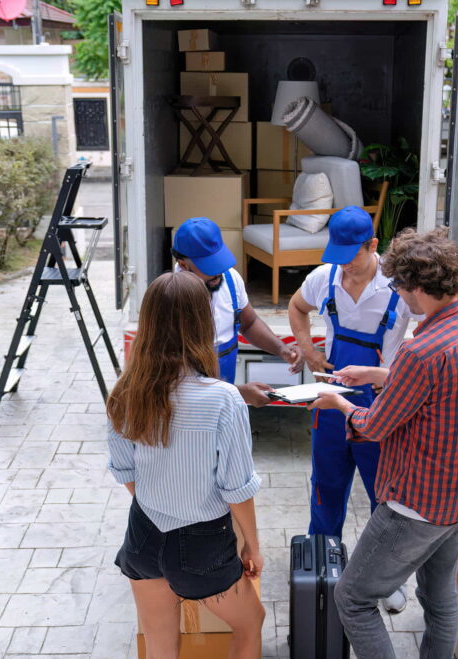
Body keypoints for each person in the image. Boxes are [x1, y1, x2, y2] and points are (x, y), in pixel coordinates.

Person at [311, 229, 458, 659]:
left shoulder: (422, 351)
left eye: (398, 286)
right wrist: (379, 374)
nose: (398, 296)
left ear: (416, 287)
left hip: (415, 505)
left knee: (353, 599)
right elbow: (442, 391)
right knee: (439, 597)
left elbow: (374, 426)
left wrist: (338, 402)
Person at [108, 271, 265, 659]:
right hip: (203, 542)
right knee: (251, 623)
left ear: (148, 323)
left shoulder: (125, 393)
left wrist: (162, 500)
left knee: (161, 646)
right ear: (202, 323)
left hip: (143, 535)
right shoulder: (223, 400)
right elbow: (237, 489)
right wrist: (253, 547)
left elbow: (127, 475)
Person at [287, 206, 418, 613]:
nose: (343, 262)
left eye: (351, 254)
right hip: (329, 405)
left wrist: (382, 373)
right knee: (326, 491)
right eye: (337, 253)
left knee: (386, 500)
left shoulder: (400, 289)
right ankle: (322, 571)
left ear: (373, 245)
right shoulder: (323, 278)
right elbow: (296, 307)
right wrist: (308, 349)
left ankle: (384, 582)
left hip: (384, 408)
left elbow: (429, 344)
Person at [173, 217, 303, 406]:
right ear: (184, 265)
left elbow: (249, 323)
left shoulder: (231, 279)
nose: (218, 272)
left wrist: (282, 350)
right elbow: (175, 376)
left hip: (225, 390)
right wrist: (239, 393)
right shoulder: (169, 298)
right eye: (209, 266)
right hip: (188, 405)